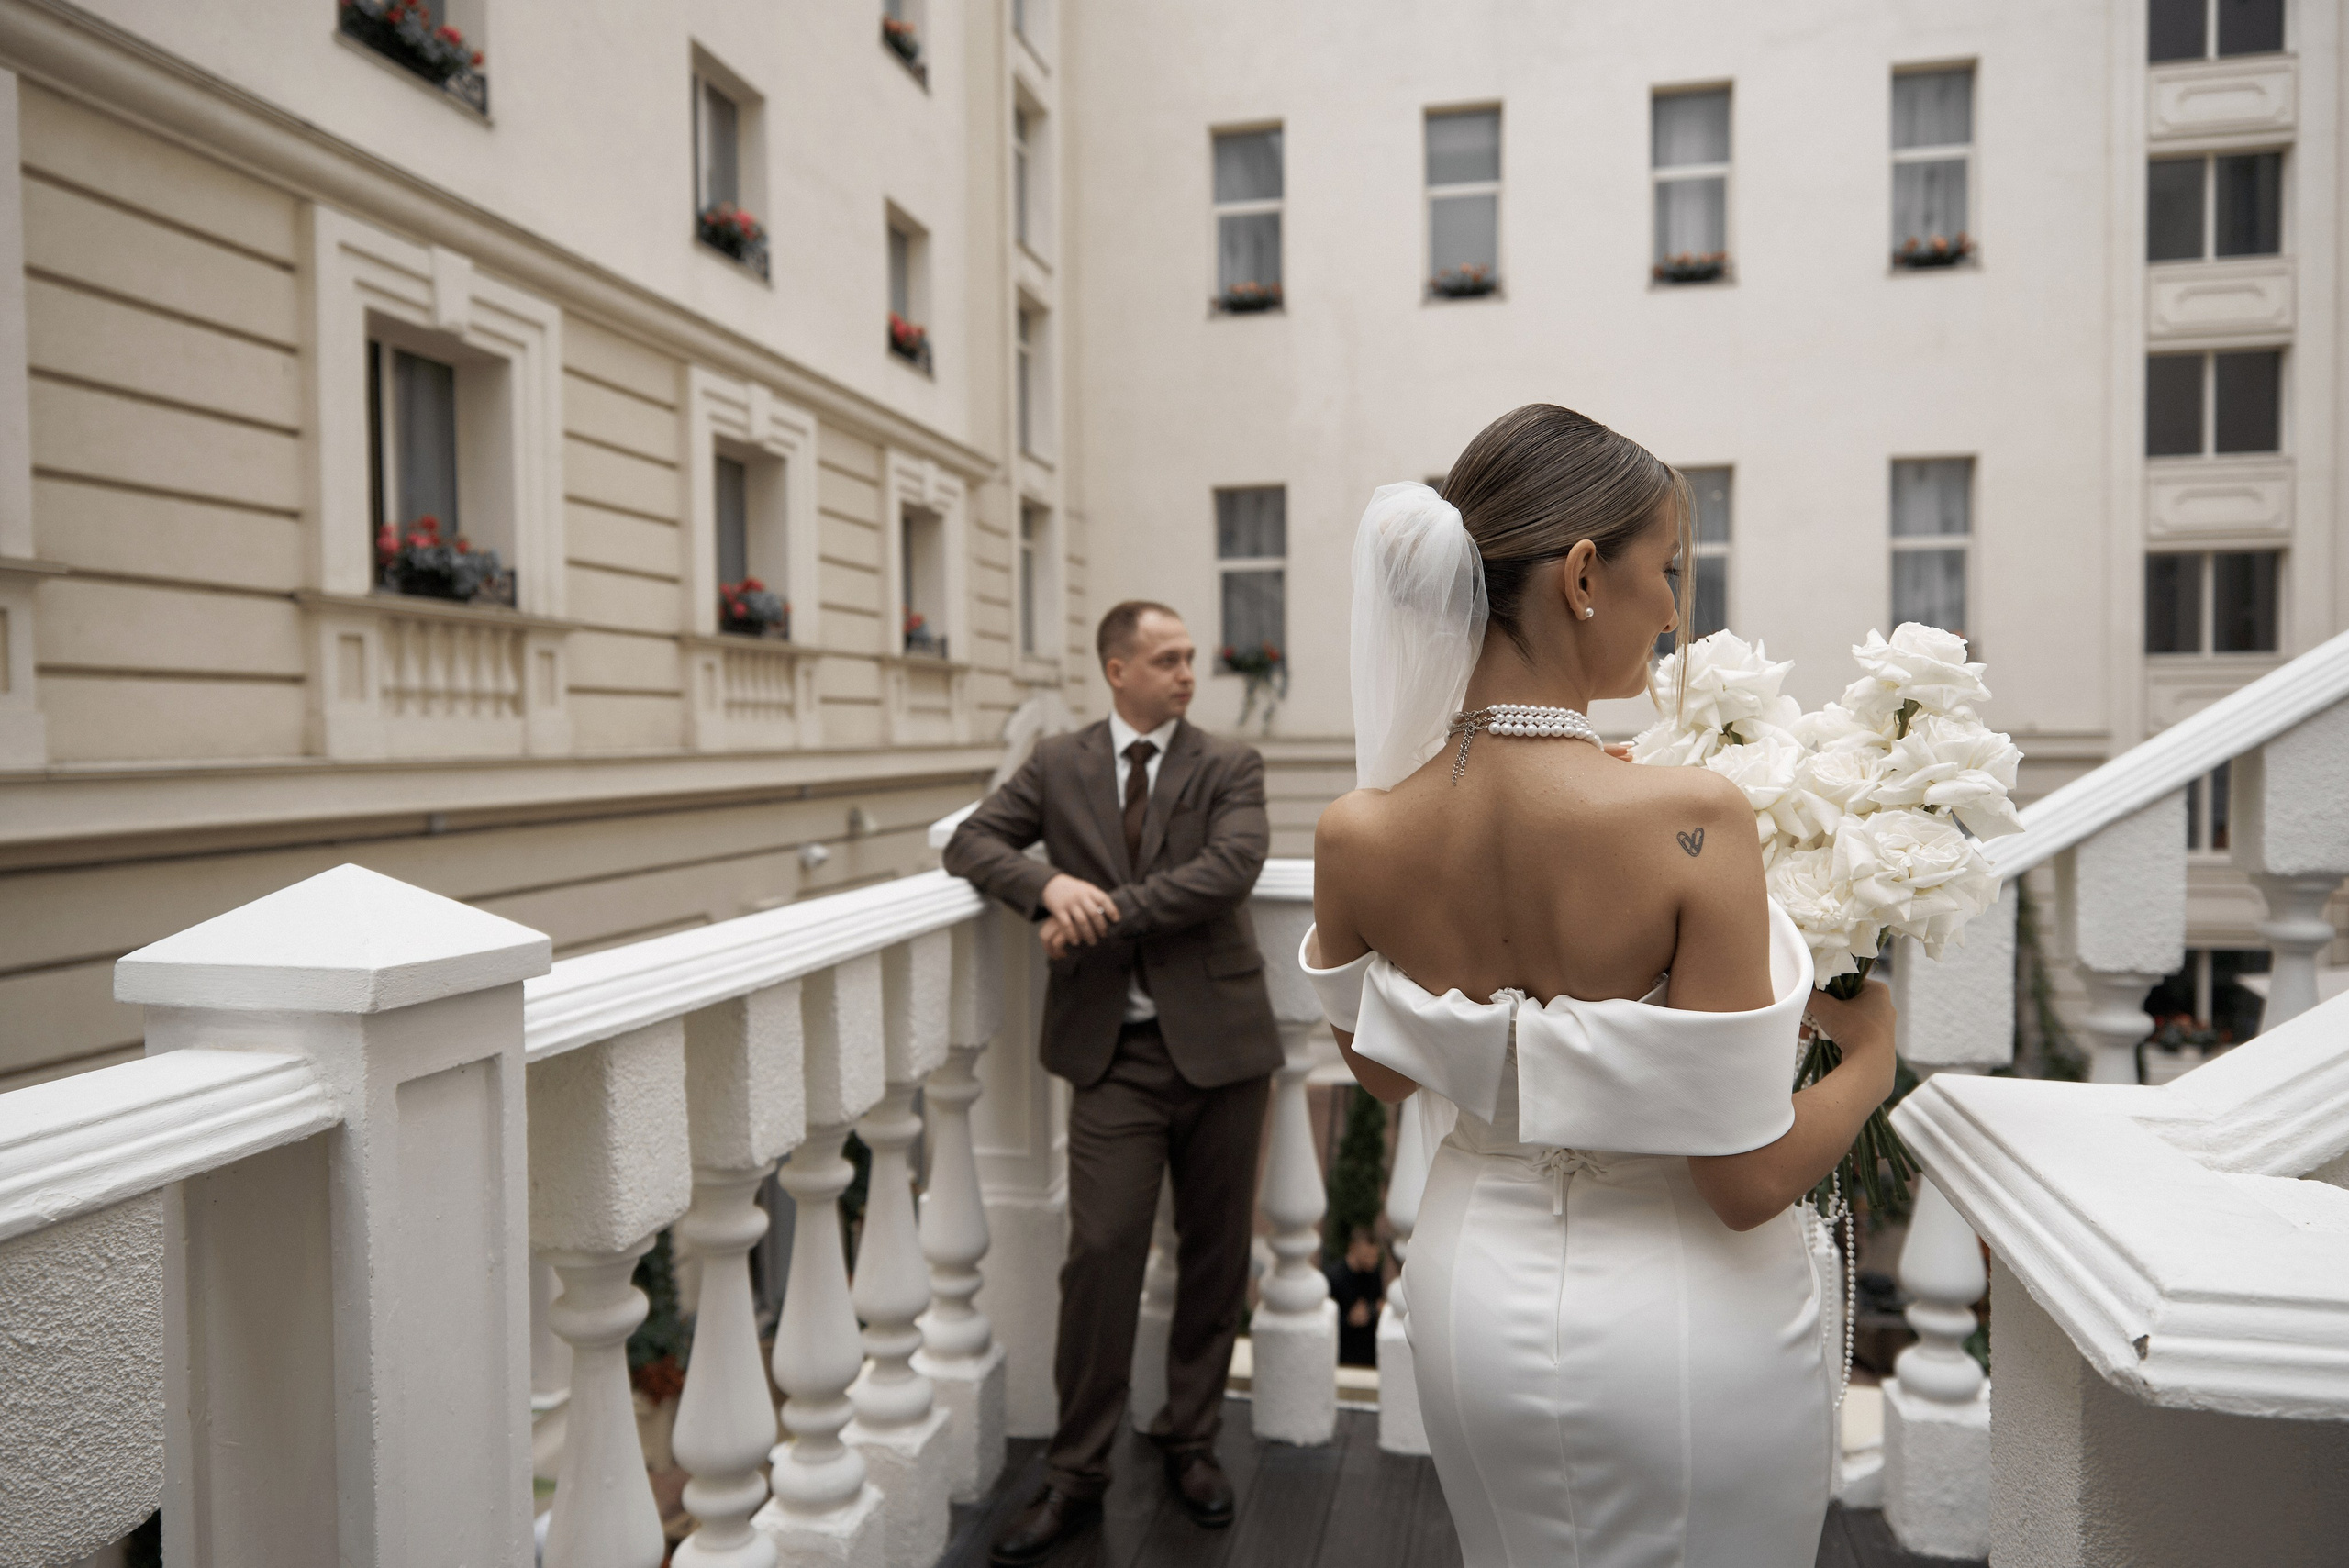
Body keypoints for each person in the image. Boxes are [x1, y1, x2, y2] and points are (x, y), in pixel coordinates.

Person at [1299, 405, 1898, 1568]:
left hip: (1470, 1299)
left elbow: (1378, 1072)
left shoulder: (1357, 831)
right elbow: (1742, 1179)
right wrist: (1871, 1054)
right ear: (1582, 576)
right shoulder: (1691, 818)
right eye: (1664, 568)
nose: (1672, 609)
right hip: (1682, 1314)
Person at [943, 600, 1283, 1565]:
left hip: (1222, 1048)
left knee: (1214, 1254)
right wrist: (1046, 887)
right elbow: (969, 842)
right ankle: (1075, 1472)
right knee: (1099, 1253)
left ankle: (1190, 1438)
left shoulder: (1229, 762)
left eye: (1190, 657)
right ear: (1116, 669)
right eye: (1166, 658)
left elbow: (1230, 868)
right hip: (1113, 1058)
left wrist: (1104, 912)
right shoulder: (1058, 762)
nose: (1187, 672)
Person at [1323, 1228, 1386, 1368]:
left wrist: (1375, 1309)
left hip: (1368, 1354)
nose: (1372, 1261)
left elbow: (1377, 1302)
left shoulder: (1373, 1273)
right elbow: (1325, 1320)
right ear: (1352, 1248)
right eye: (1367, 1256)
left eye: (1375, 1256)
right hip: (1342, 1355)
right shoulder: (1334, 1278)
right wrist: (1349, 1319)